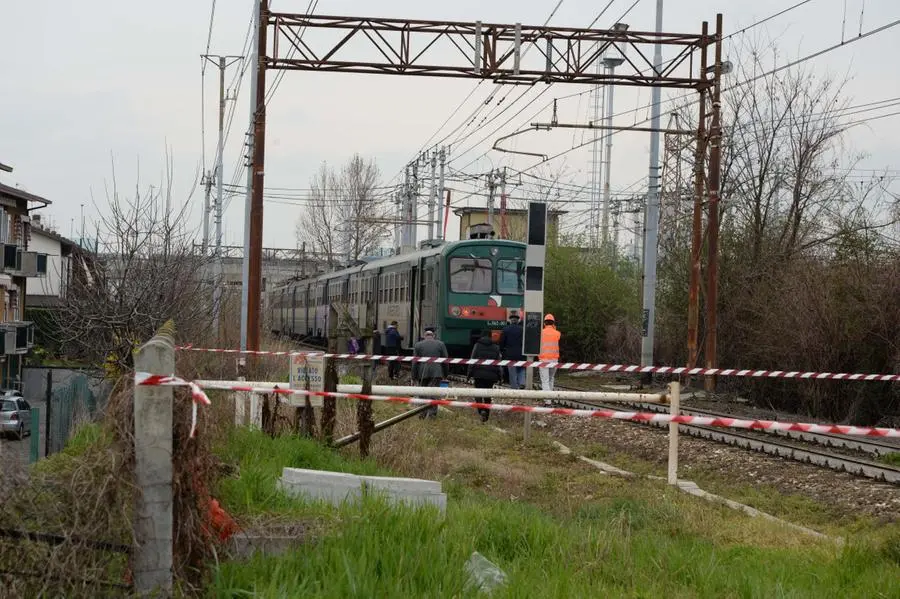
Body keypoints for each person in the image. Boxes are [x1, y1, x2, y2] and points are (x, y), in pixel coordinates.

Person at [467, 329, 503, 423]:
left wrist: (469, 374)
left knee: (478, 394)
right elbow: (498, 364)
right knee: (488, 396)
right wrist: (500, 377)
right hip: (491, 376)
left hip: (478, 374)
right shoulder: (496, 347)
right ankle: (486, 414)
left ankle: (481, 411)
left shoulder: (477, 345)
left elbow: (472, 360)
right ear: (491, 336)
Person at [412, 329, 449, 419]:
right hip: (436, 372)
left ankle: (422, 414)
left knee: (422, 394)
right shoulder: (440, 344)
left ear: (425, 336)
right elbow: (445, 360)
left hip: (422, 372)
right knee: (433, 394)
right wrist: (445, 374)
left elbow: (415, 362)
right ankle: (432, 416)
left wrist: (414, 376)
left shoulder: (418, 345)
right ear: (433, 336)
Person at [538, 314, 561, 403]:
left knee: (545, 381)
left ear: (544, 323)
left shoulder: (541, 333)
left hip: (543, 360)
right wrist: (554, 328)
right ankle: (550, 399)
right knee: (551, 379)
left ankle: (548, 402)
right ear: (553, 323)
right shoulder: (557, 333)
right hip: (554, 360)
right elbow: (557, 336)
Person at [499, 313, 525, 389]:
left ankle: (514, 387)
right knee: (521, 368)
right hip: (521, 353)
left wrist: (501, 350)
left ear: (510, 320)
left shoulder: (505, 329)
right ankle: (522, 382)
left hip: (509, 354)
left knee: (512, 371)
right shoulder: (523, 329)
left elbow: (502, 342)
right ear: (517, 321)